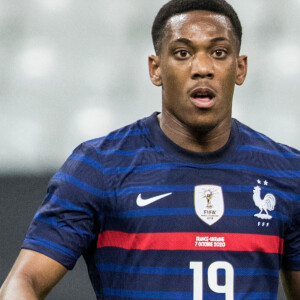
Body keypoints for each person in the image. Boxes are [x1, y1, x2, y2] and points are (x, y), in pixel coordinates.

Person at [1, 0, 299, 299]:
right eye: (183, 53)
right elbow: (23, 282)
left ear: (240, 68)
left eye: (219, 53)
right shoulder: (99, 166)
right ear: (155, 69)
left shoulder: (287, 172)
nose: (202, 68)